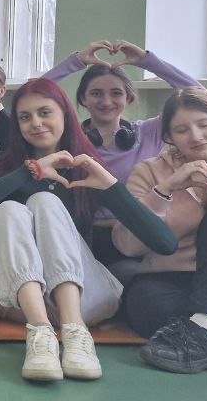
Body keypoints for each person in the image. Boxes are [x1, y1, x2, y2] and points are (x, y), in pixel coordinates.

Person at [0, 78, 178, 381]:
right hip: (17, 301)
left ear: (65, 115)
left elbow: (164, 243)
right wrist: (31, 170)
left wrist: (111, 186)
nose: (36, 123)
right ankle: (40, 334)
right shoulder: (13, 169)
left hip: (84, 298)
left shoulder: (86, 169)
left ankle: (76, 332)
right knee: (9, 209)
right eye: (25, 117)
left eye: (45, 112)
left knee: (45, 201)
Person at [113, 88, 207, 372]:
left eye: (204, 124)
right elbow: (128, 246)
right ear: (170, 138)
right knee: (143, 303)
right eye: (182, 130)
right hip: (175, 282)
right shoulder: (150, 173)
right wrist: (165, 190)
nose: (195, 136)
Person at [43, 38, 198, 262]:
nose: (106, 101)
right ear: (83, 99)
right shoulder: (68, 136)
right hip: (81, 236)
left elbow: (199, 99)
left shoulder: (150, 132)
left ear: (129, 97)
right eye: (96, 93)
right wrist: (76, 61)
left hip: (136, 236)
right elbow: (30, 97)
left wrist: (147, 61)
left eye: (116, 93)